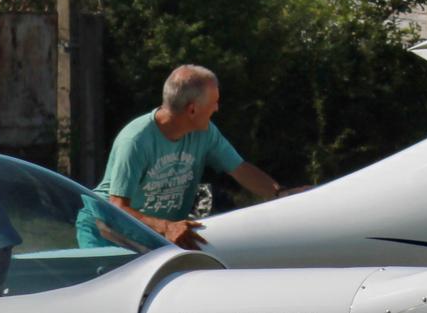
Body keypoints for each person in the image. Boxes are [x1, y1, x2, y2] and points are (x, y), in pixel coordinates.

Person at [92, 64, 288, 249]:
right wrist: (166, 227)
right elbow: (116, 208)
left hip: (154, 235)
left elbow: (240, 169)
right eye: (214, 102)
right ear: (192, 110)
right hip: (105, 235)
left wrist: (280, 194)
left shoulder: (206, 133)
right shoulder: (135, 141)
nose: (217, 108)